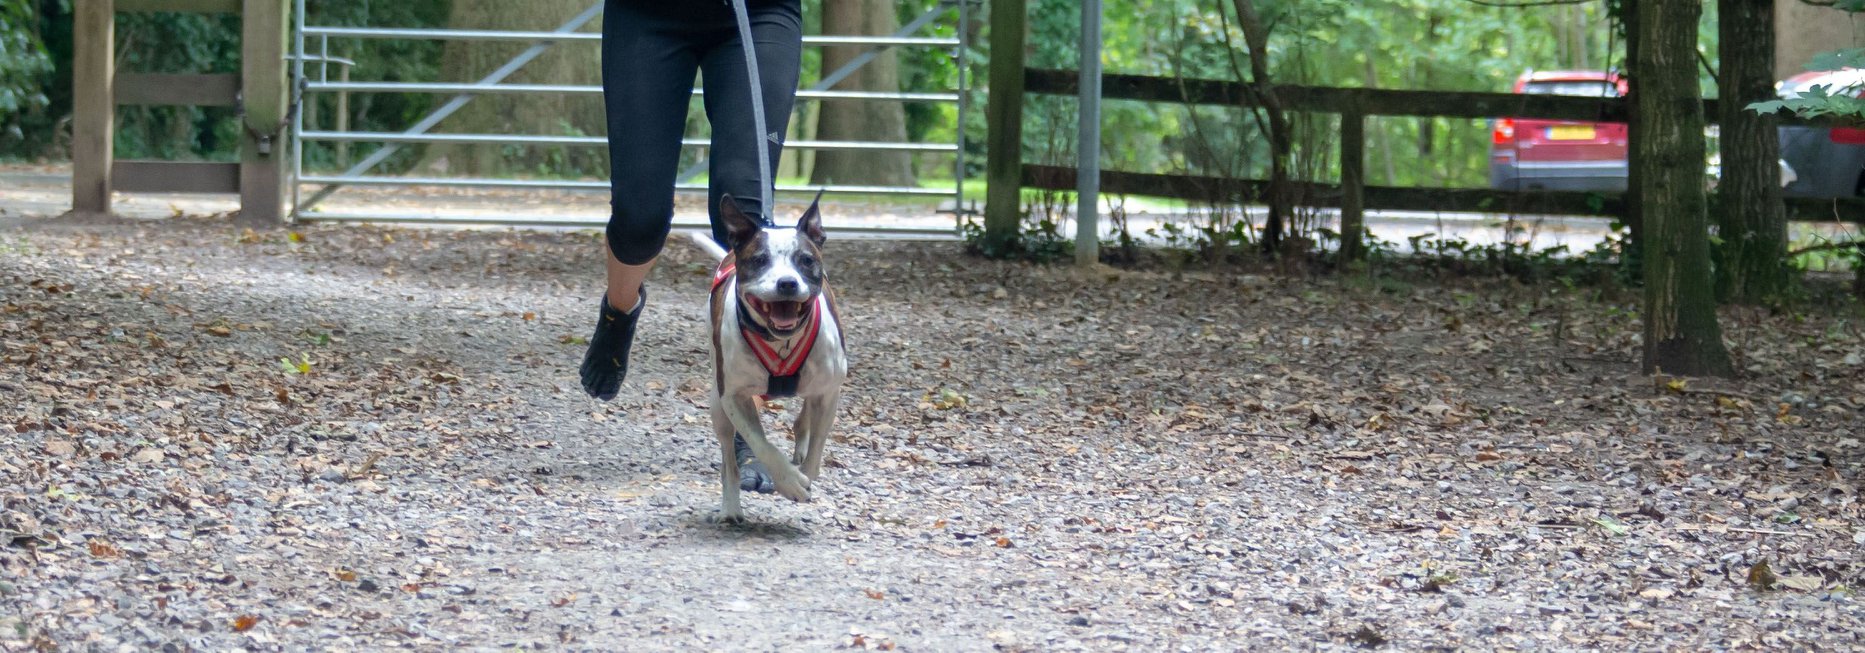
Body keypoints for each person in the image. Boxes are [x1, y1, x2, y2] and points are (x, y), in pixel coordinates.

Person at [579, 0, 803, 493]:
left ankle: (748, 418)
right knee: (640, 220)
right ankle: (619, 311)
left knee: (744, 218)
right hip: (646, 16)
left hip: (758, 12)